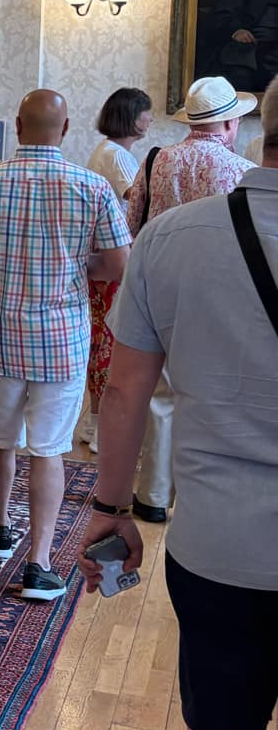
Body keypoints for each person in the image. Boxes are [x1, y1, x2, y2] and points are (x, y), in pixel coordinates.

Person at [80, 75, 278, 730]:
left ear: (262, 128)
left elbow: (125, 392)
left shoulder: (176, 239)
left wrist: (110, 507)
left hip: (224, 541)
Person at [0, 89, 130, 602]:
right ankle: (40, 565)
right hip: (62, 340)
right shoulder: (92, 186)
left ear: (17, 126)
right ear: (66, 129)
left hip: (3, 335)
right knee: (48, 449)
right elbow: (119, 264)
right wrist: (77, 266)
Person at [122, 75, 255, 522]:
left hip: (160, 282)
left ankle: (152, 495)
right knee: (213, 393)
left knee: (159, 395)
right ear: (230, 123)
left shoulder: (155, 160)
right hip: (219, 291)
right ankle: (201, 496)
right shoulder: (241, 172)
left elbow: (132, 223)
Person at [77, 86, 153, 452]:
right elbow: (139, 202)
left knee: (102, 340)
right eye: (146, 112)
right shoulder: (116, 156)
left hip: (100, 257)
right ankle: (102, 428)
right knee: (110, 341)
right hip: (111, 259)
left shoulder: (109, 152)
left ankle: (95, 423)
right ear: (130, 116)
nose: (150, 119)